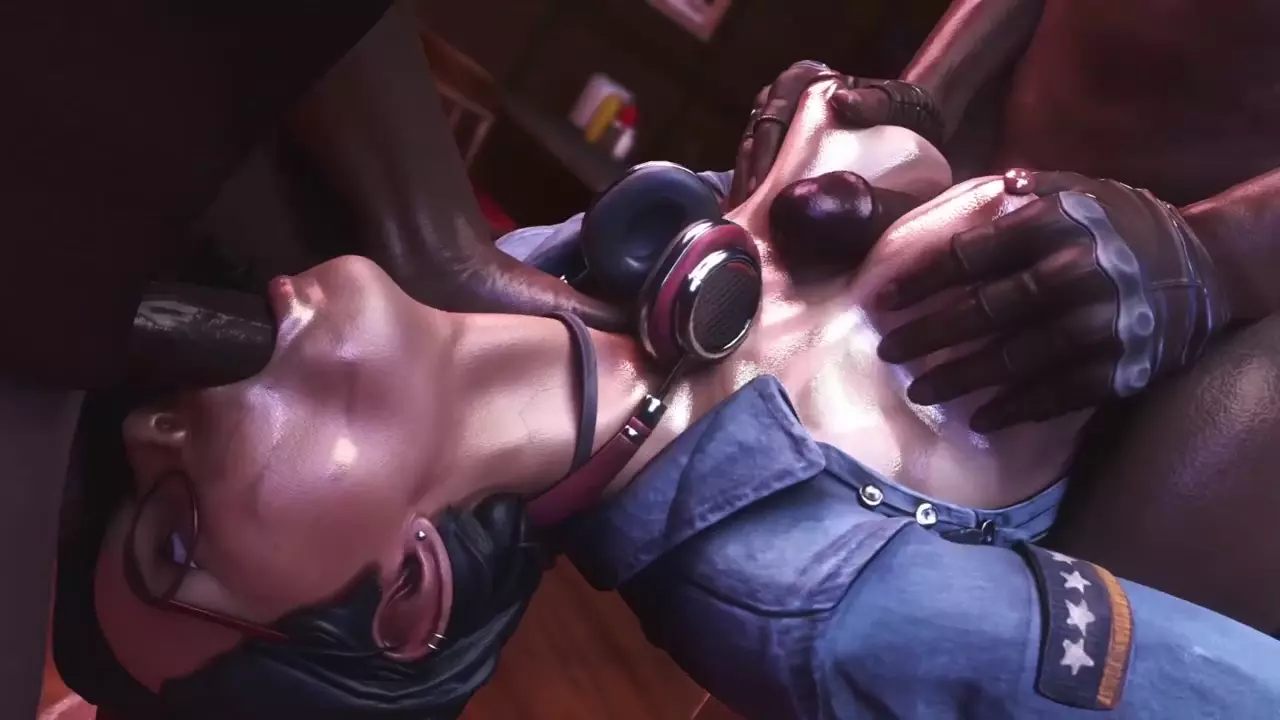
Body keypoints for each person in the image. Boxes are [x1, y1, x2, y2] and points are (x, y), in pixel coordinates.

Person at [62, 72, 1280, 719]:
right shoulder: (822, 603)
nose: (154, 423)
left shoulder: (529, 276)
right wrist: (1220, 256)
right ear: (408, 593)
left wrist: (883, 118)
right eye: (176, 536)